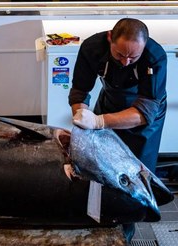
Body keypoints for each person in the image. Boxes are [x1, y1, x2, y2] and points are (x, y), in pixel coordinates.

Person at [69, 18, 167, 244]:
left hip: (144, 117)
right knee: (97, 162)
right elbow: (80, 91)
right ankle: (96, 213)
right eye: (120, 55)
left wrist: (100, 122)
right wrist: (81, 114)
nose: (125, 62)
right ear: (110, 38)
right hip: (110, 101)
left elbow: (145, 111)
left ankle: (126, 224)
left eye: (133, 57)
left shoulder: (155, 56)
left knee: (134, 171)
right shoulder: (91, 47)